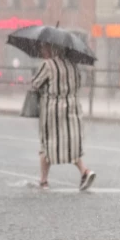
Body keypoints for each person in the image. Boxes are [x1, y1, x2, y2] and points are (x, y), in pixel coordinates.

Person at [31, 43, 96, 191]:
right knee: (69, 144)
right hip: (72, 107)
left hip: (52, 109)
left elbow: (35, 84)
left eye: (43, 47)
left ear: (50, 48)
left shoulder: (47, 65)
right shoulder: (72, 65)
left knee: (48, 143)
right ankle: (85, 171)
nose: (41, 50)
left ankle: (44, 181)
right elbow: (79, 83)